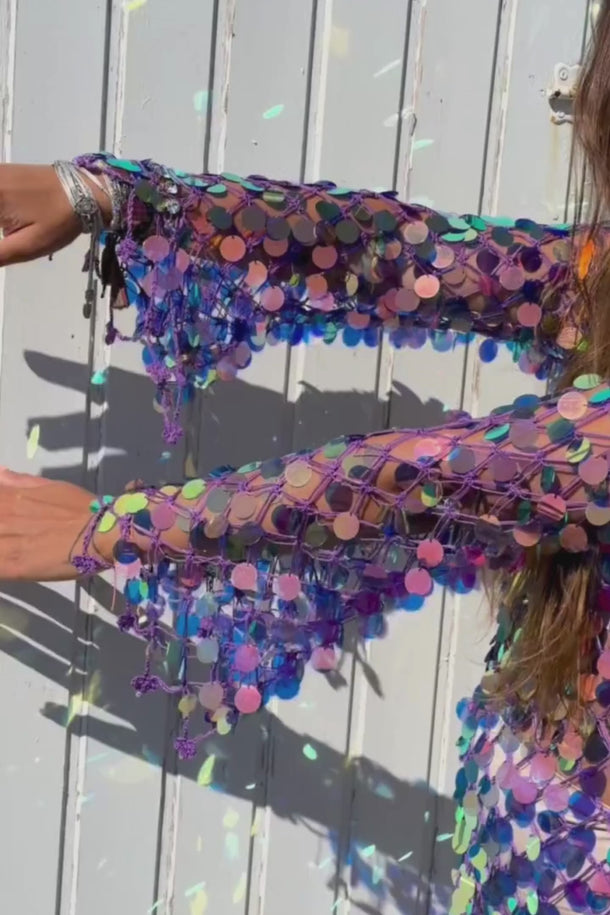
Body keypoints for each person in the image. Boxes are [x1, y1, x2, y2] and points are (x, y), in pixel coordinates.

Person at [4, 9, 610, 915]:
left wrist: (113, 528)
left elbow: (419, 482)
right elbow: (399, 255)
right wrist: (121, 200)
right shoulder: (598, 276)